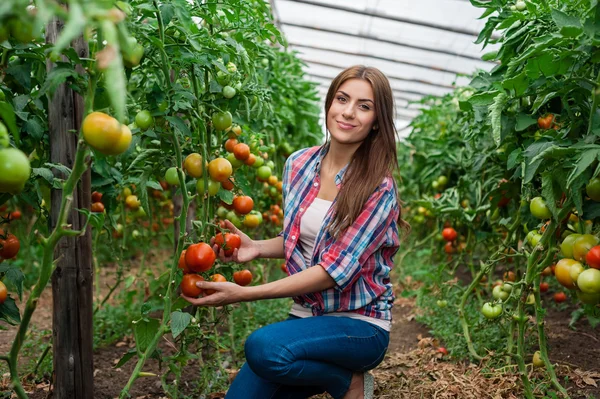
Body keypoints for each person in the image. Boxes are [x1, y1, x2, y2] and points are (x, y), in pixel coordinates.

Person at [182, 65, 408, 399]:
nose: (348, 112)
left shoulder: (378, 188)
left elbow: (333, 271)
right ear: (329, 103)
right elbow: (302, 239)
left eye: (364, 105)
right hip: (307, 316)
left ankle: (347, 382)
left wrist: (244, 293)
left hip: (360, 325)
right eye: (342, 99)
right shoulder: (298, 164)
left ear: (377, 119)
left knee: (263, 348)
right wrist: (257, 246)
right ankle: (337, 377)